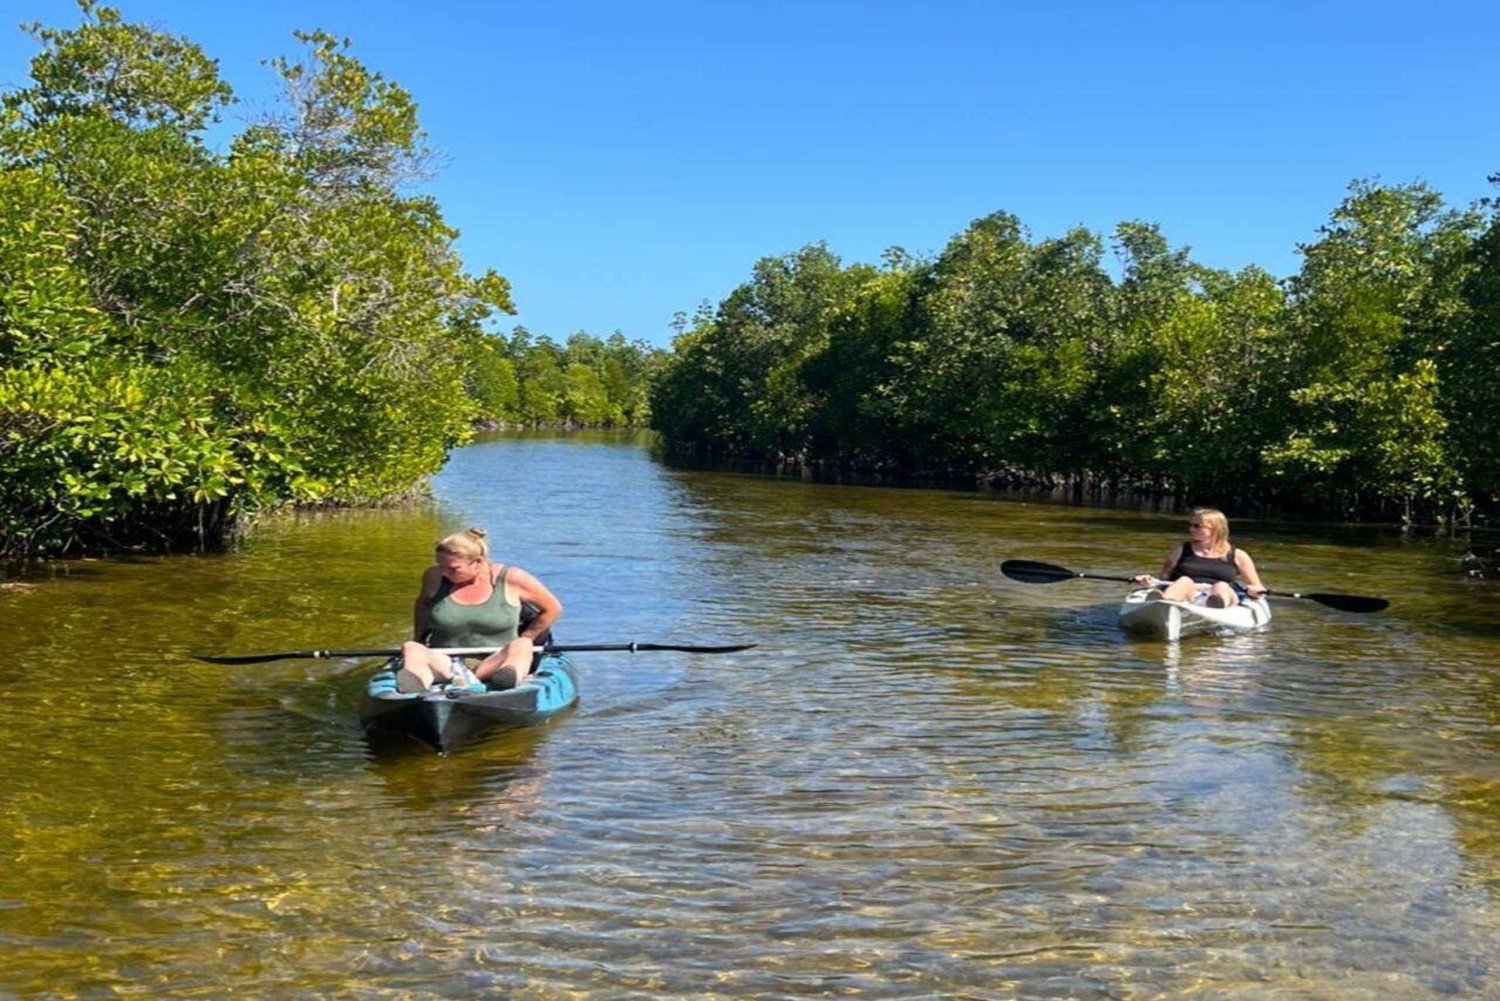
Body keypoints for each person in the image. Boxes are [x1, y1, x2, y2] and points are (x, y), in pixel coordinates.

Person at [397, 527, 563, 693]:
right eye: (441, 567)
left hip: (497, 660)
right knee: (411, 647)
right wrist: (419, 638)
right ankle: (416, 692)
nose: (444, 573)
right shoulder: (433, 577)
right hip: (447, 663)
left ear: (478, 562)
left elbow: (552, 608)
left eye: (453, 569)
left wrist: (527, 637)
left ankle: (501, 682)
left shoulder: (512, 578)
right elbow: (423, 605)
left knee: (522, 645)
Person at [1131, 507, 1268, 608]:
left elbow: (1257, 586)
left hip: (1220, 596)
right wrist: (1149, 581)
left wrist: (1255, 590)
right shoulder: (1181, 550)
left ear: (1215, 529)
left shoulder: (1238, 555)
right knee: (1184, 580)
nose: (1191, 529)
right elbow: (1163, 579)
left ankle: (1215, 607)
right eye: (1190, 525)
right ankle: (1161, 604)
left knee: (1221, 586)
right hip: (1188, 595)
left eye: (1197, 526)